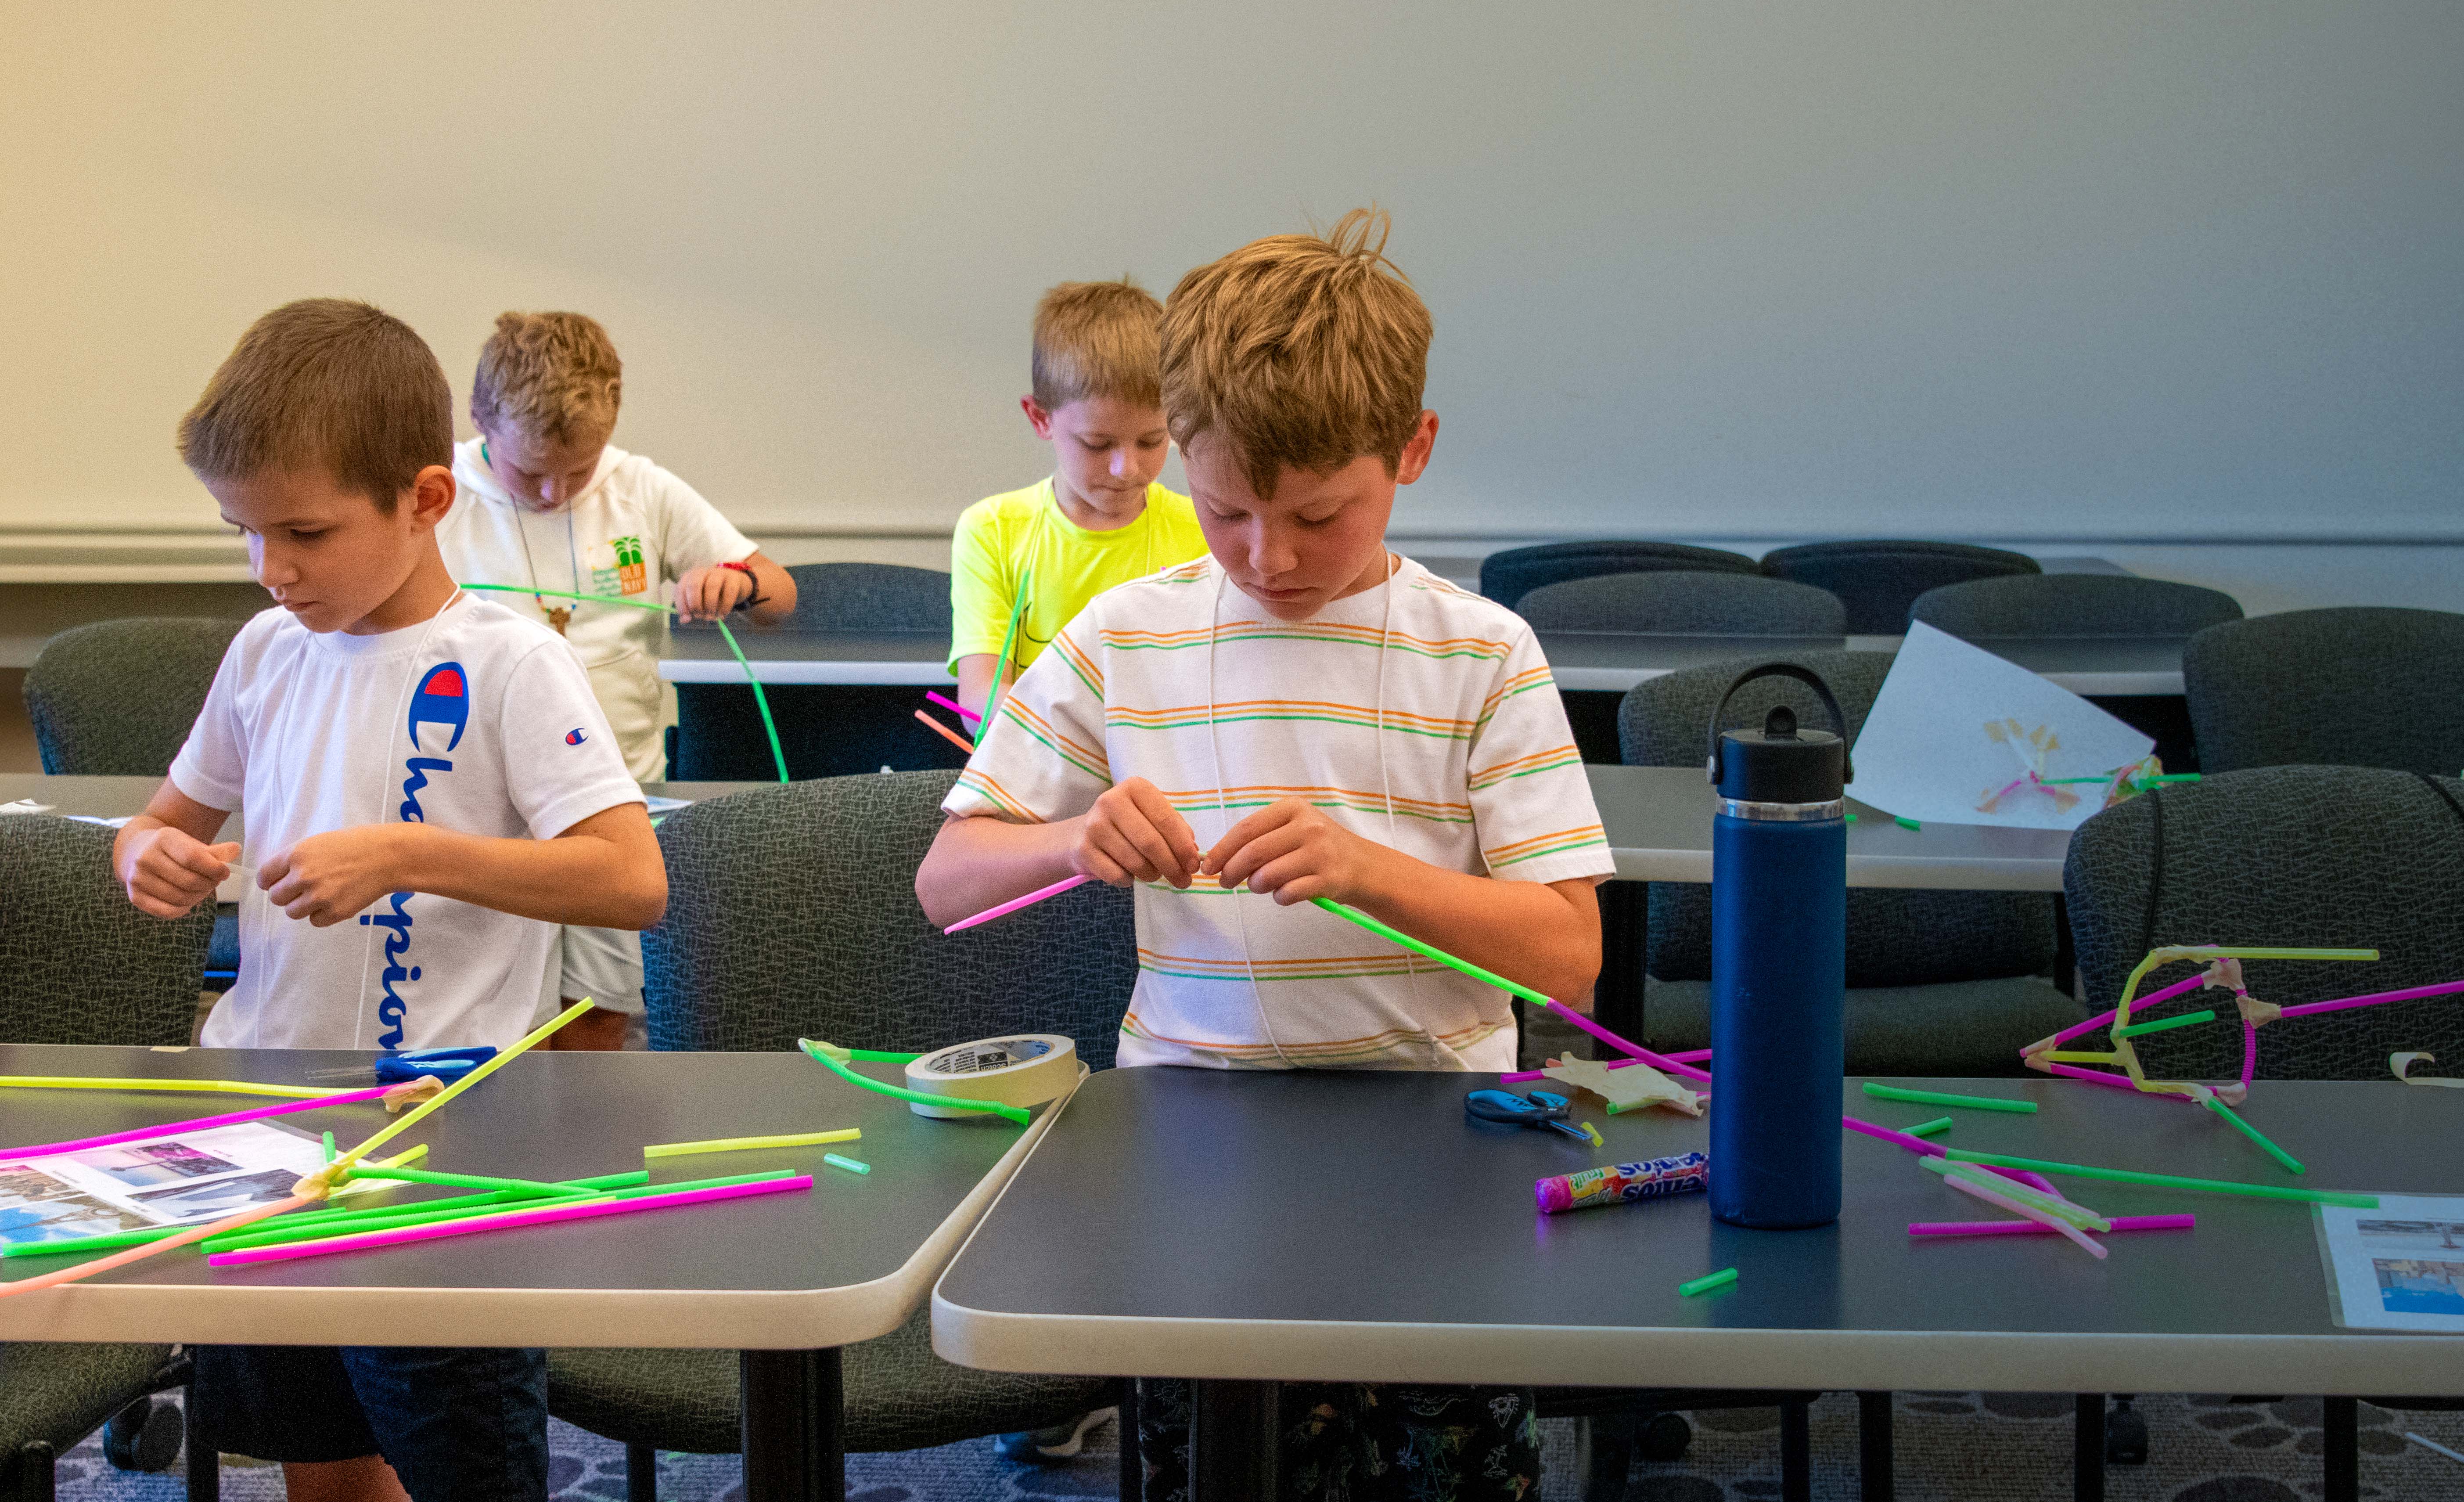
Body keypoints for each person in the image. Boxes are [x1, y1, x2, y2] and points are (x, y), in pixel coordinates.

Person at [917, 212, 1609, 1500]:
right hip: (1196, 1149)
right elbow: (945, 881)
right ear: (1182, 453)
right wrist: (1075, 836)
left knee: (1446, 1471)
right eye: (1227, 510)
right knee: (1221, 1463)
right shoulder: (1129, 633)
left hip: (1433, 1149)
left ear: (1412, 450)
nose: (1269, 556)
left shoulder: (1481, 652)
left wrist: (1370, 868)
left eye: (1318, 514)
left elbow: (1569, 956)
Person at [113, 298, 667, 1502]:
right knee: (316, 1453)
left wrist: (411, 855)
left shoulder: (512, 660)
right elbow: (164, 823)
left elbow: (631, 879)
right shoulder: (266, 652)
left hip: (439, 1132)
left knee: (464, 1451)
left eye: (306, 531)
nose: (274, 568)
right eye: (244, 533)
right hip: (267, 1113)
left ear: (425, 498)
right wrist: (142, 857)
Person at [437, 310, 796, 1050]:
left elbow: (778, 592)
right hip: (486, 815)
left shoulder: (643, 490)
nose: (553, 493)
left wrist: (732, 580)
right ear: (479, 419)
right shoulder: (440, 498)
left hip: (618, 805)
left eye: (578, 470)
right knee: (496, 1016)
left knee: (599, 1008)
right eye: (531, 472)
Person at [949, 279, 1205, 731]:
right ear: (1040, 418)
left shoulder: (1201, 529)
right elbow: (978, 701)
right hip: (1035, 787)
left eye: (1152, 440)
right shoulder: (992, 529)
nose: (1127, 468)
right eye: (1096, 443)